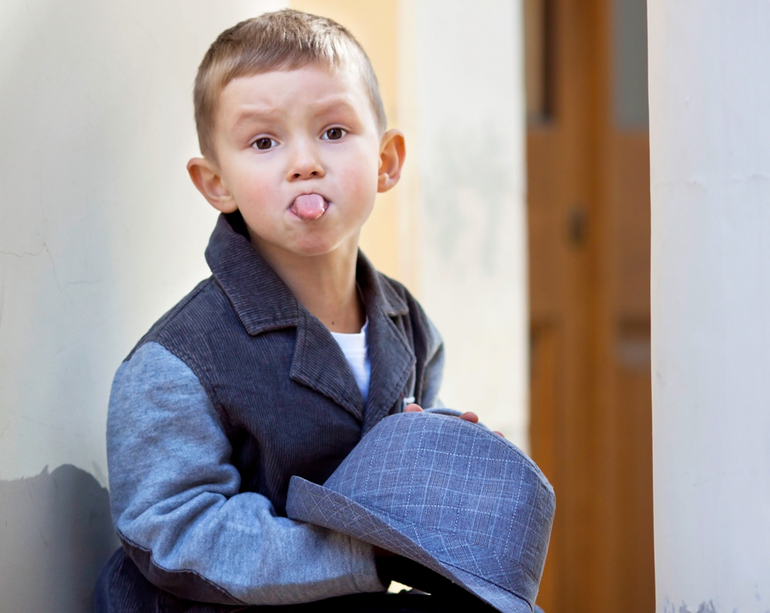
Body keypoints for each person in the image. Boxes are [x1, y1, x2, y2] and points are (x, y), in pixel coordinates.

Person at [94, 9, 492, 612]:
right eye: (264, 142)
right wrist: (362, 554)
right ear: (216, 183)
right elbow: (172, 530)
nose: (304, 162)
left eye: (333, 131)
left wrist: (443, 459)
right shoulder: (178, 361)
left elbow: (409, 490)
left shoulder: (410, 327)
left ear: (386, 161)